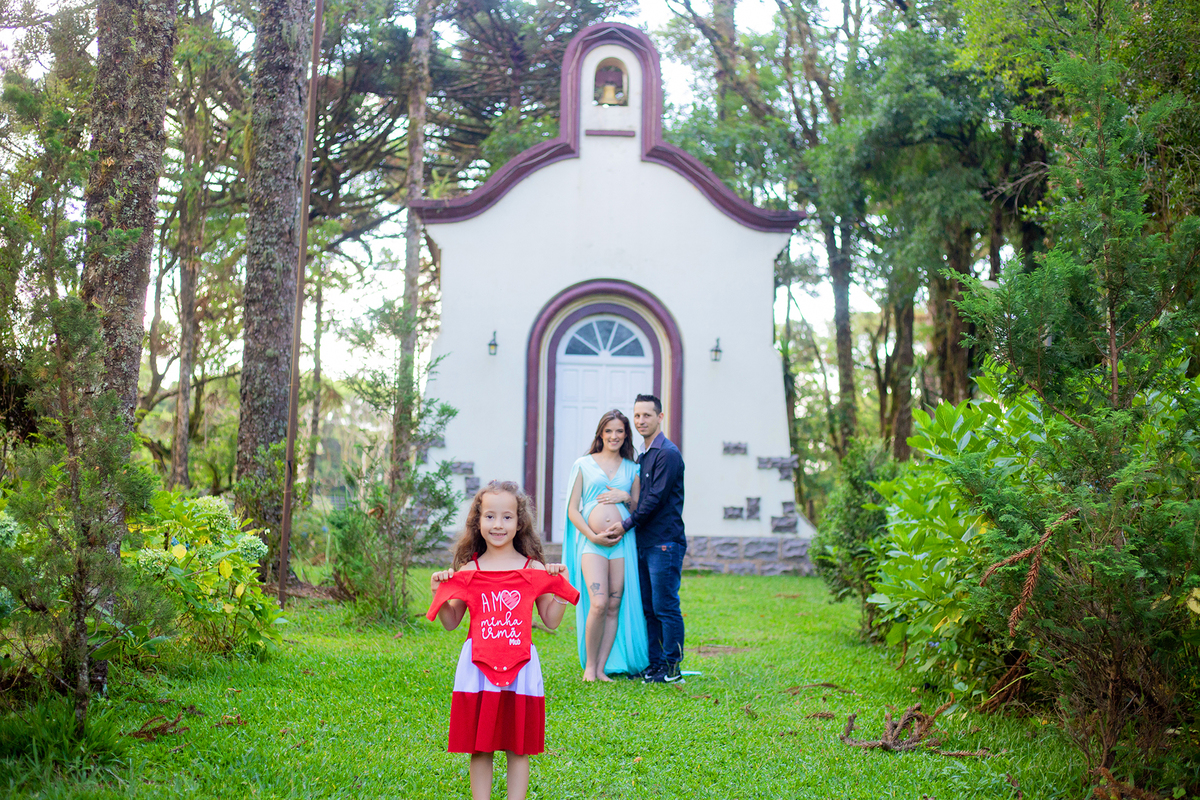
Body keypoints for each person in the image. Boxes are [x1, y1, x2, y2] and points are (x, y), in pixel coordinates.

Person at [428, 481, 579, 800]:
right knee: (480, 747)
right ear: (478, 522)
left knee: (517, 746)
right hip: (478, 668)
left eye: (507, 517)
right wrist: (438, 595)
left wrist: (560, 585)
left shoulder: (533, 569)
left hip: (521, 668)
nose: (498, 525)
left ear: (520, 521)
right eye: (490, 517)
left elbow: (550, 620)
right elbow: (451, 623)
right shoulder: (469, 570)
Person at [602, 393, 686, 683]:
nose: (640, 421)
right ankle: (655, 665)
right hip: (644, 542)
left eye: (647, 415)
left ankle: (672, 668)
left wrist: (624, 525)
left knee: (665, 606)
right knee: (648, 607)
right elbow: (639, 498)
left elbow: (652, 502)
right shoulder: (644, 454)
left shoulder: (668, 454)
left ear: (660, 417)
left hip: (665, 542)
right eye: (637, 416)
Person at [563, 410, 650, 681]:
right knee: (598, 603)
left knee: (614, 604)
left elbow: (638, 509)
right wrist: (592, 535)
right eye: (609, 430)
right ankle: (589, 668)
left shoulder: (632, 468)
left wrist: (626, 495)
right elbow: (572, 510)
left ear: (626, 435)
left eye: (620, 431)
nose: (614, 436)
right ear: (601, 433)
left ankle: (601, 669)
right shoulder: (583, 464)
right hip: (593, 544)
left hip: (622, 544)